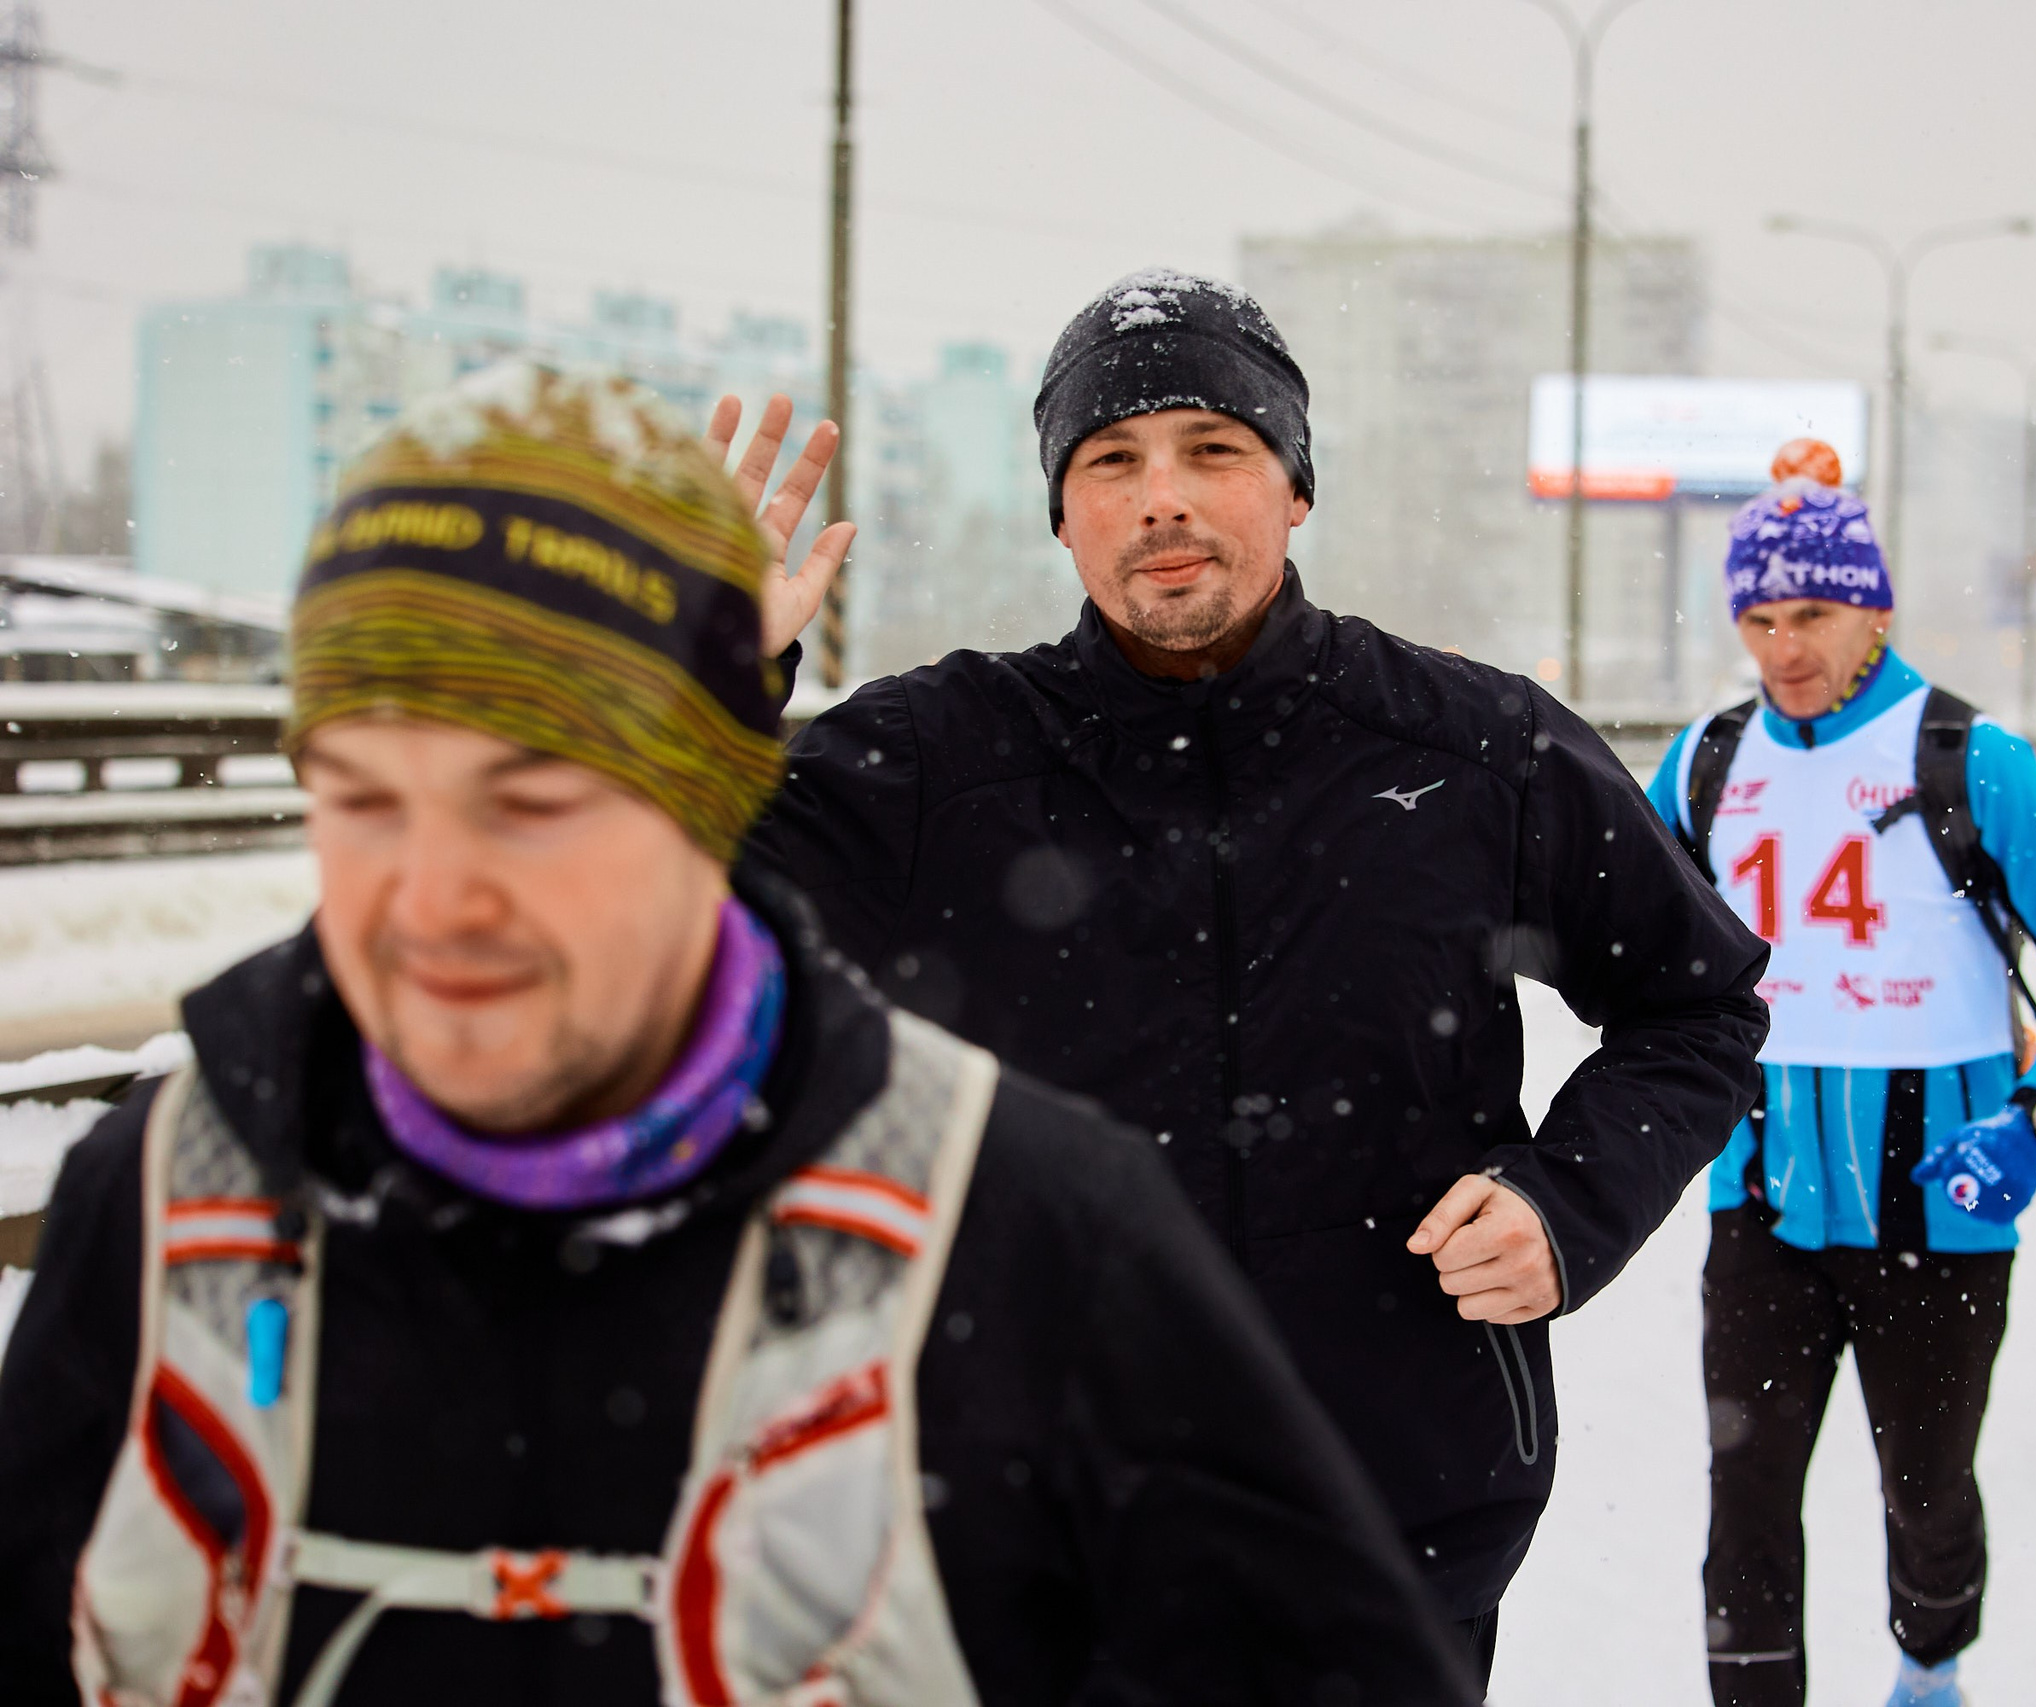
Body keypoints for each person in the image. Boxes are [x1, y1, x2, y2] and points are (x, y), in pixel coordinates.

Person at [0, 364, 1479, 1707]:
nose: (436, 900)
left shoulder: (1024, 1225)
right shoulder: (166, 1195)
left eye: (533, 800)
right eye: (366, 798)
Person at [733, 267, 1773, 1682]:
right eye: (1113, 460)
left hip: (1397, 1521)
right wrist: (703, 684)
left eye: (1212, 448)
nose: (1162, 494)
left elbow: (1696, 1000)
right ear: (1063, 513)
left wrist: (1566, 1202)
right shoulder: (934, 763)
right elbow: (639, 920)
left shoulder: (1475, 749)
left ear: (1293, 488)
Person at [1644, 442, 2036, 1707]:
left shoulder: (1973, 761)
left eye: (1810, 613)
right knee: (1744, 1494)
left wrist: (2035, 1121)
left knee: (1924, 1485)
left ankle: (1930, 1663)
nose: (1783, 647)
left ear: (1874, 608)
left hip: (1942, 1200)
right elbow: (1617, 945)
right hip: (1759, 1204)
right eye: (1756, 618)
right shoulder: (1705, 763)